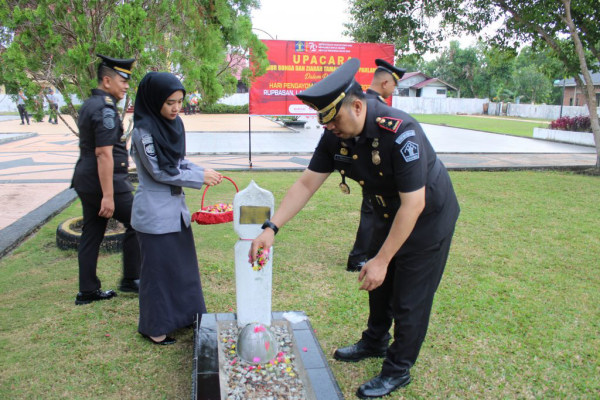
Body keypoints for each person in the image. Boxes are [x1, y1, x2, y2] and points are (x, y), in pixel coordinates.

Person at [249, 58, 460, 399]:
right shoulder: (337, 134)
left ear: (358, 106)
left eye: (333, 120)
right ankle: (375, 341)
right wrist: (271, 227)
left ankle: (397, 370)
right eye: (324, 122)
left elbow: (414, 205)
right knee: (377, 288)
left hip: (426, 220)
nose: (328, 128)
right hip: (385, 214)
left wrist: (383, 258)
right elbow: (306, 184)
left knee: (409, 297)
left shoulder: (399, 131)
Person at [130, 72, 223, 345]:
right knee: (157, 273)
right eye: (170, 102)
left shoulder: (173, 125)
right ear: (154, 100)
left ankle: (187, 317)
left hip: (175, 213)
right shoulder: (143, 131)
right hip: (154, 215)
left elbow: (177, 162)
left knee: (183, 269)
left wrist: (201, 169)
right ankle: (154, 326)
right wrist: (198, 177)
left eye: (180, 101)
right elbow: (159, 171)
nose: (176, 108)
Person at [71, 54, 141, 305]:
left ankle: (87, 291)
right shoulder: (105, 108)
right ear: (107, 79)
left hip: (86, 180)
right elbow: (103, 153)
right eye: (122, 80)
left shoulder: (90, 103)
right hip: (105, 181)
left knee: (92, 232)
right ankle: (131, 278)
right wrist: (109, 195)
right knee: (138, 221)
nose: (125, 86)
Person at [347, 59, 406, 272]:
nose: (393, 89)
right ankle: (358, 258)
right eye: (394, 85)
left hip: (361, 168)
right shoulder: (378, 107)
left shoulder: (358, 103)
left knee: (370, 212)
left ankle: (362, 255)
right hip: (377, 172)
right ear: (385, 82)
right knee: (371, 213)